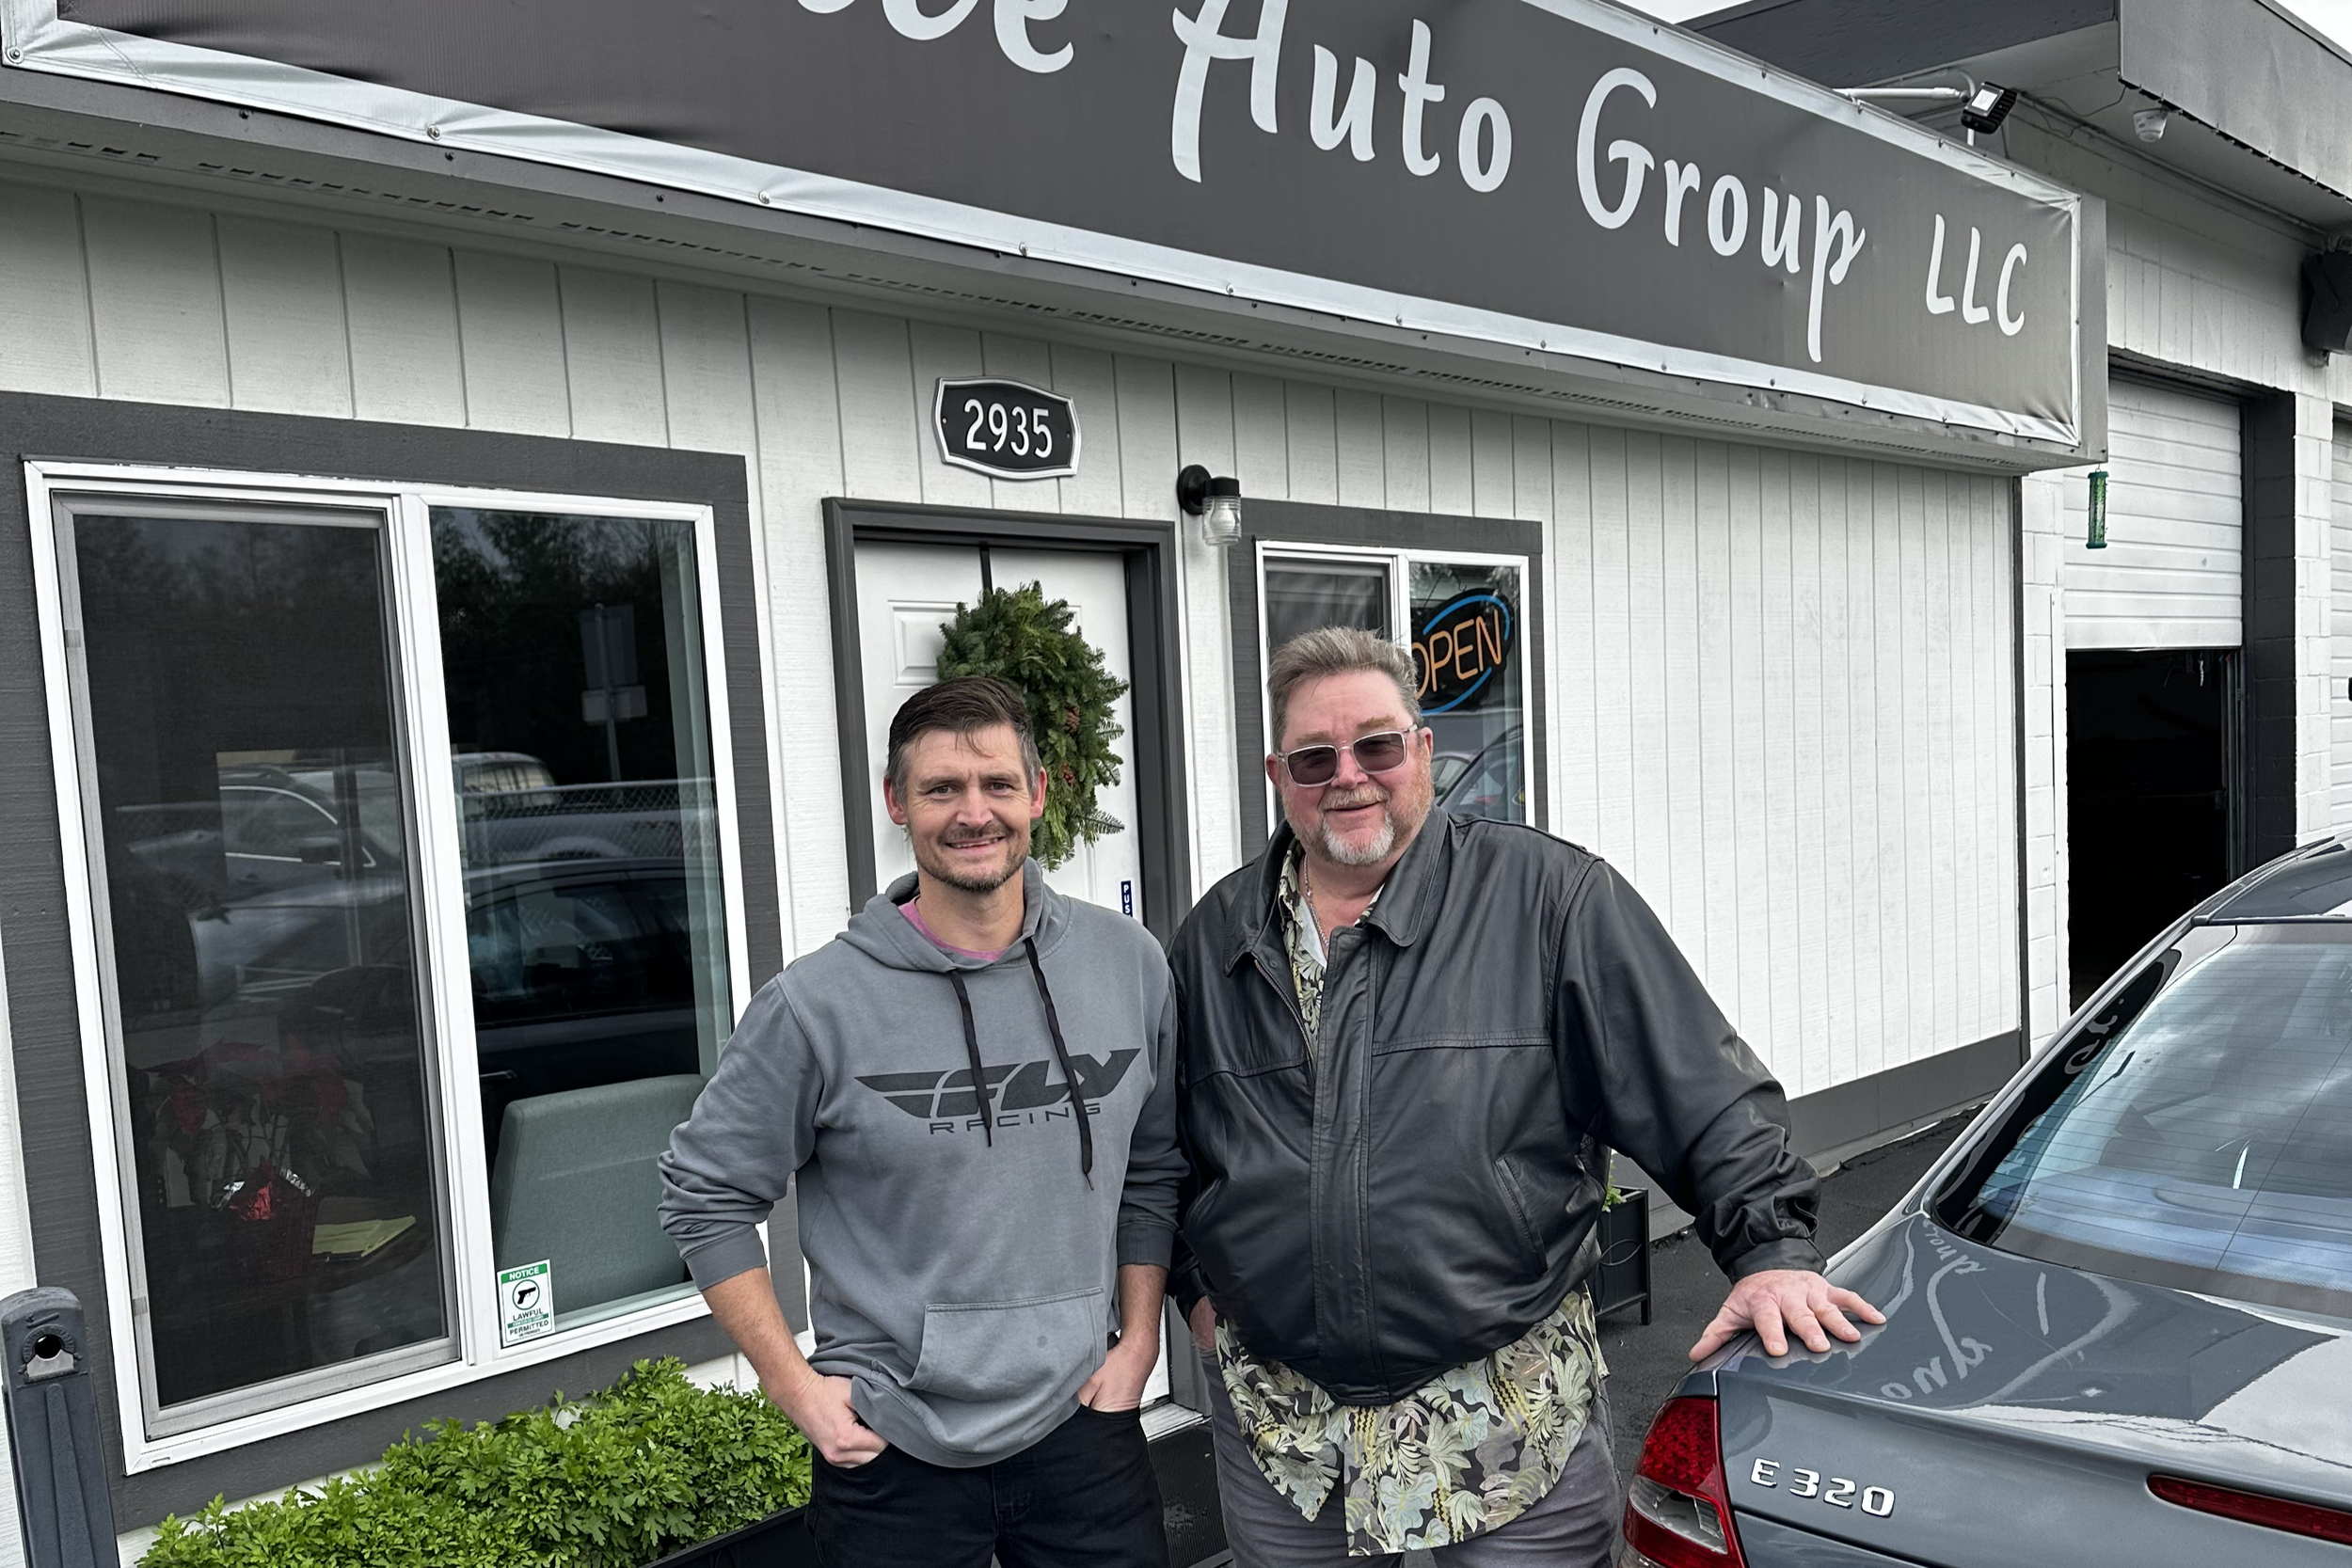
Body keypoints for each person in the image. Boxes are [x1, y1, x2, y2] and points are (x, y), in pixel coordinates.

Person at [1168, 627, 1882, 1566]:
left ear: (1423, 749)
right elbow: (1166, 1144)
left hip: (1506, 1421)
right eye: (1314, 757)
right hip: (1287, 1434)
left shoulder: (1550, 899)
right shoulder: (1215, 937)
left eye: (1377, 745)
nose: (1348, 775)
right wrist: (1195, 1288)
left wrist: (1770, 1249)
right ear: (1277, 774)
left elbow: (1698, 1087)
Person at [660, 676, 1184, 1568]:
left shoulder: (1126, 964)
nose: (974, 813)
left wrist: (1140, 1340)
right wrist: (795, 1389)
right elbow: (704, 1196)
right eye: (942, 788)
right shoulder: (816, 1005)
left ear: (1038, 793)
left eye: (997, 784)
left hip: (1084, 1424)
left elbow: (1153, 1165)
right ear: (897, 802)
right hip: (891, 1446)